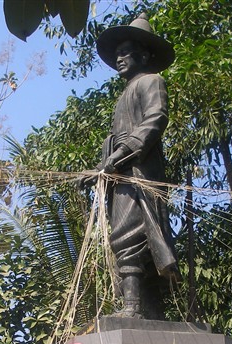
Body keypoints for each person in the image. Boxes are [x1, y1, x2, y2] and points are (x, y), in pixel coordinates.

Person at [85, 14, 180, 319]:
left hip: (140, 173)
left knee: (131, 233)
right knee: (124, 235)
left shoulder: (151, 81)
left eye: (126, 52)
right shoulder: (124, 95)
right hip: (121, 175)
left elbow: (155, 120)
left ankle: (134, 308)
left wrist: (122, 154)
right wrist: (99, 169)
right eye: (117, 54)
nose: (119, 58)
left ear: (144, 55)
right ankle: (145, 308)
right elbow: (116, 141)